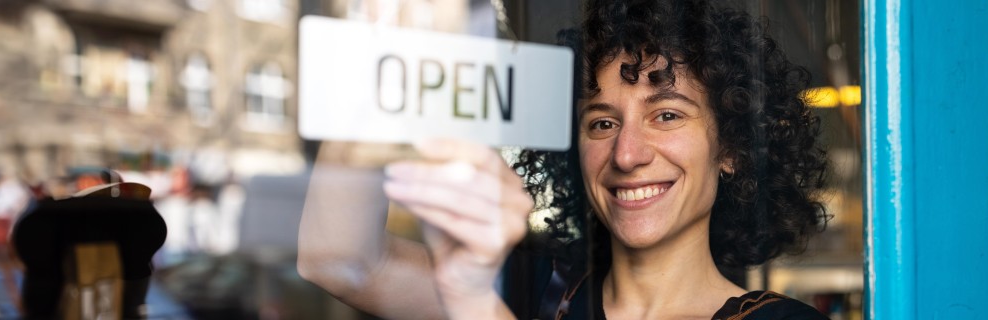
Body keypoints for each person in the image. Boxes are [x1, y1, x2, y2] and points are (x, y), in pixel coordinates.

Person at [297, 0, 829, 319]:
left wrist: (476, 301)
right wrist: (391, 53)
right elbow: (338, 258)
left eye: (666, 115)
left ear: (731, 147)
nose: (627, 152)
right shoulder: (532, 289)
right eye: (602, 122)